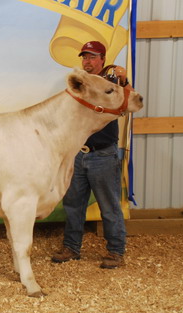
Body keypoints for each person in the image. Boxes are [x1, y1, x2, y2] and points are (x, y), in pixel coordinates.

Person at [51, 41, 132, 269]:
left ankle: (115, 251)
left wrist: (124, 80)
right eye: (84, 57)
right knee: (73, 204)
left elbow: (128, 101)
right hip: (78, 153)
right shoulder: (78, 86)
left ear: (102, 60)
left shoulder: (111, 84)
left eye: (92, 57)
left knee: (109, 207)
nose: (87, 61)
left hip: (103, 155)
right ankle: (71, 247)